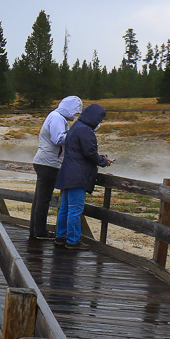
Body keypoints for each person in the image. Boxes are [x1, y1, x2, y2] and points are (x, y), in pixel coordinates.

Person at [54, 104, 113, 250]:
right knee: (75, 209)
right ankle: (73, 241)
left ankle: (61, 237)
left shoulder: (76, 126)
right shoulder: (86, 131)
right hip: (78, 175)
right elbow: (89, 153)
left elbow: (82, 151)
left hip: (68, 172)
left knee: (65, 208)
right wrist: (103, 161)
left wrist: (99, 157)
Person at [30, 96, 83, 240]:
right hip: (49, 163)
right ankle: (40, 232)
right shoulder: (58, 118)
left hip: (45, 161)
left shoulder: (55, 116)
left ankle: (35, 230)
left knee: (40, 198)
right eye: (75, 112)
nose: (74, 116)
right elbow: (58, 139)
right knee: (43, 199)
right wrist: (75, 134)